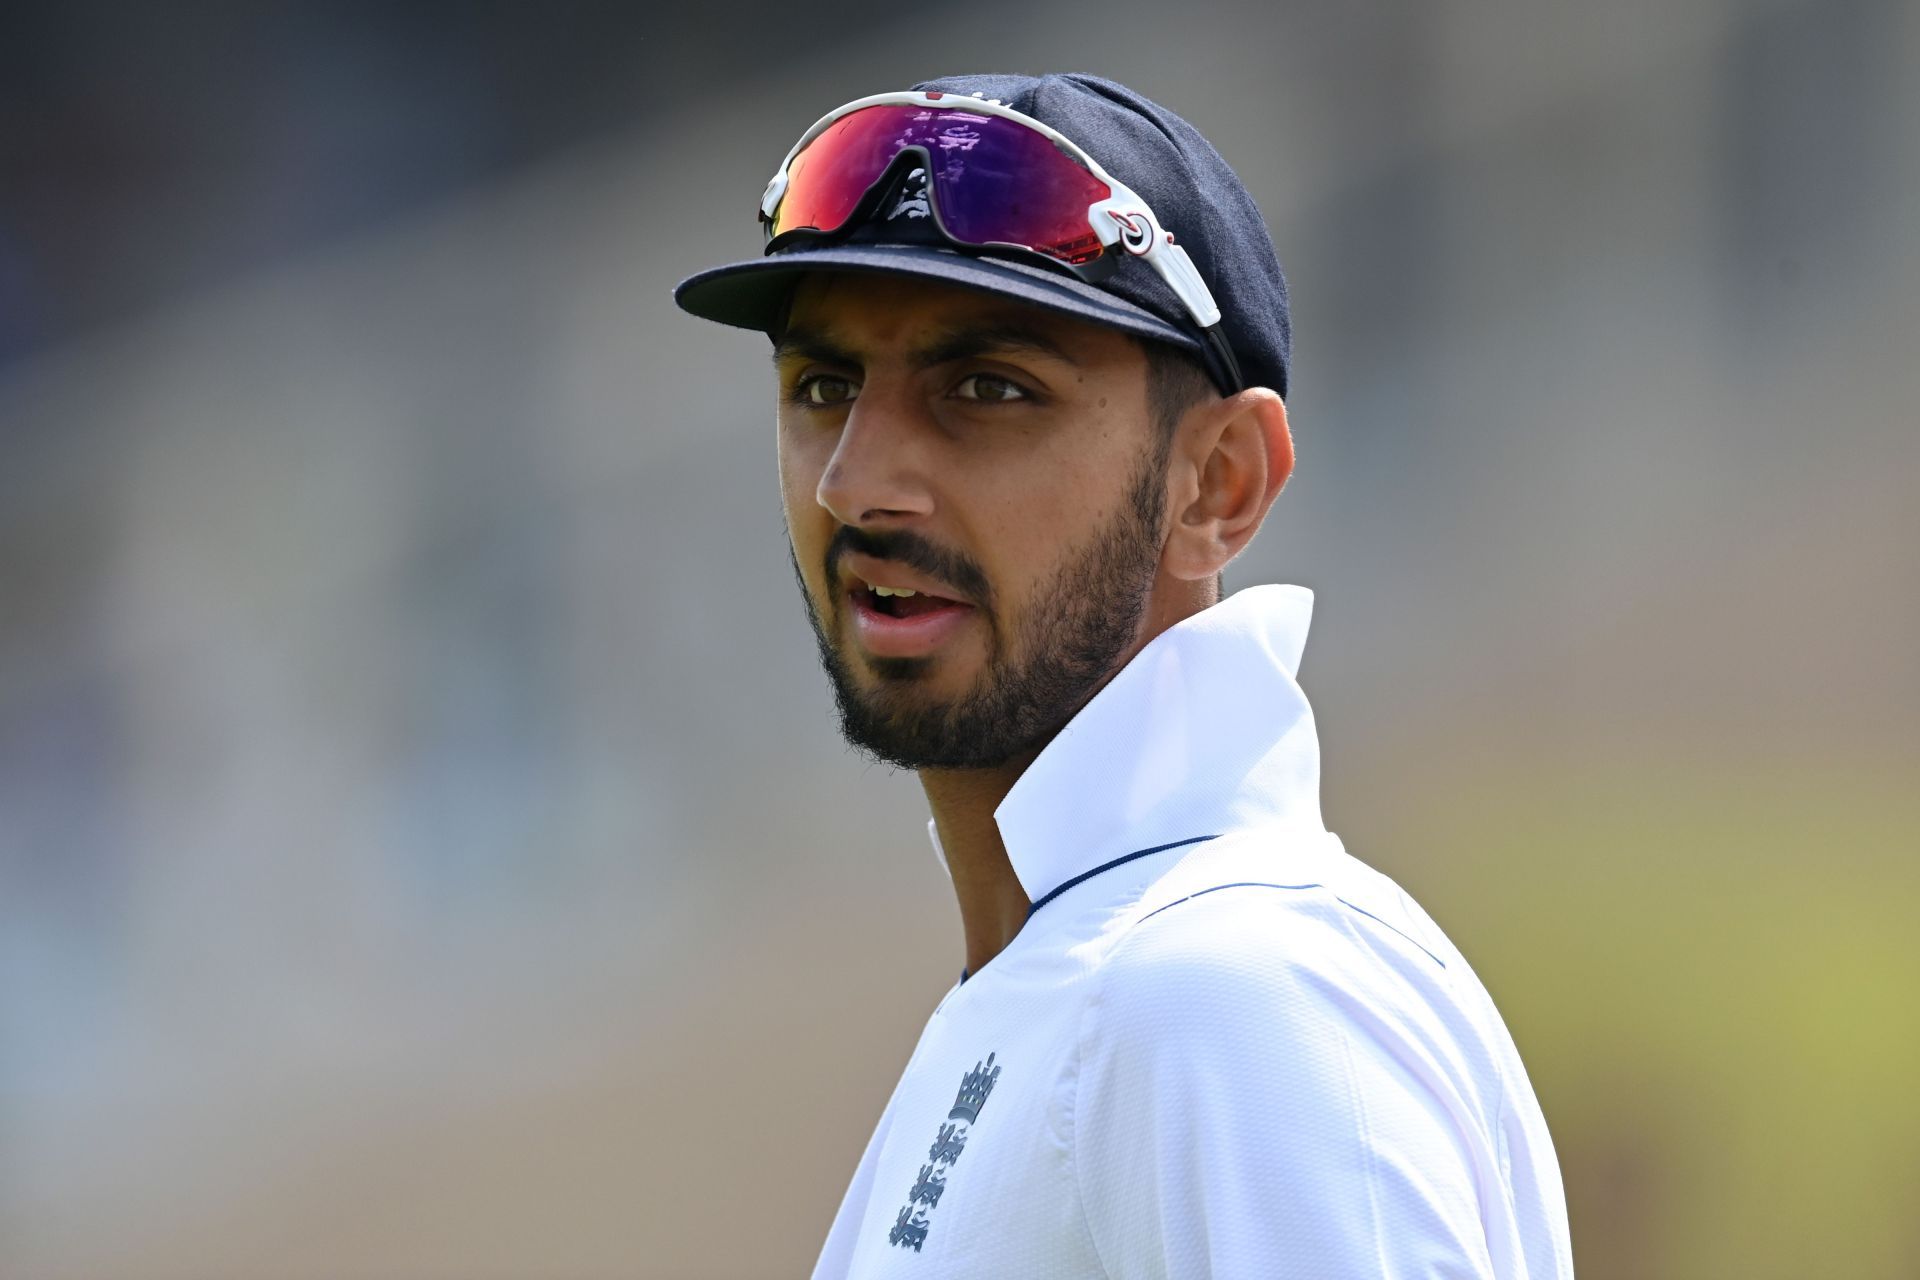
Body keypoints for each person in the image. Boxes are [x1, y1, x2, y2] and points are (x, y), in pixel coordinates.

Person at [675, 72, 1574, 1279]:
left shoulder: (1231, 988)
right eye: (824, 387)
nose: (855, 480)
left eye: (986, 388)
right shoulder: (1082, 979)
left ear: (1219, 485)